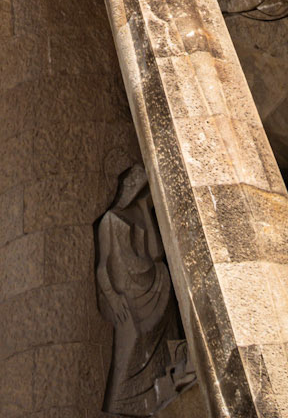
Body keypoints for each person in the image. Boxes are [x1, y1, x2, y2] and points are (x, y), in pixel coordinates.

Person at [96, 164, 177, 416]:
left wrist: (144, 210)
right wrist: (112, 296)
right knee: (131, 344)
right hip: (129, 295)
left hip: (152, 282)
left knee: (164, 339)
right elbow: (102, 265)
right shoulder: (110, 219)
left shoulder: (140, 214)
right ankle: (122, 404)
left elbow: (156, 253)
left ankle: (165, 387)